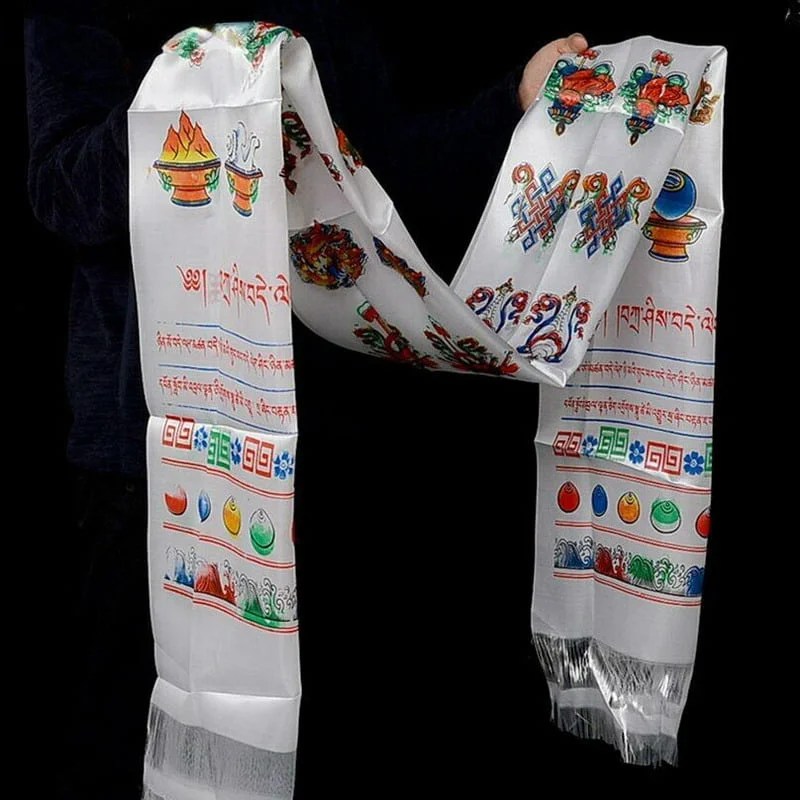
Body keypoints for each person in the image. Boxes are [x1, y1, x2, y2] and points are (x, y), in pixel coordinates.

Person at [24, 2, 587, 796]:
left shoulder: (322, 11)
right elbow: (65, 192)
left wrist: (515, 103)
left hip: (336, 450)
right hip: (157, 463)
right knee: (143, 748)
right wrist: (202, 81)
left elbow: (388, 182)